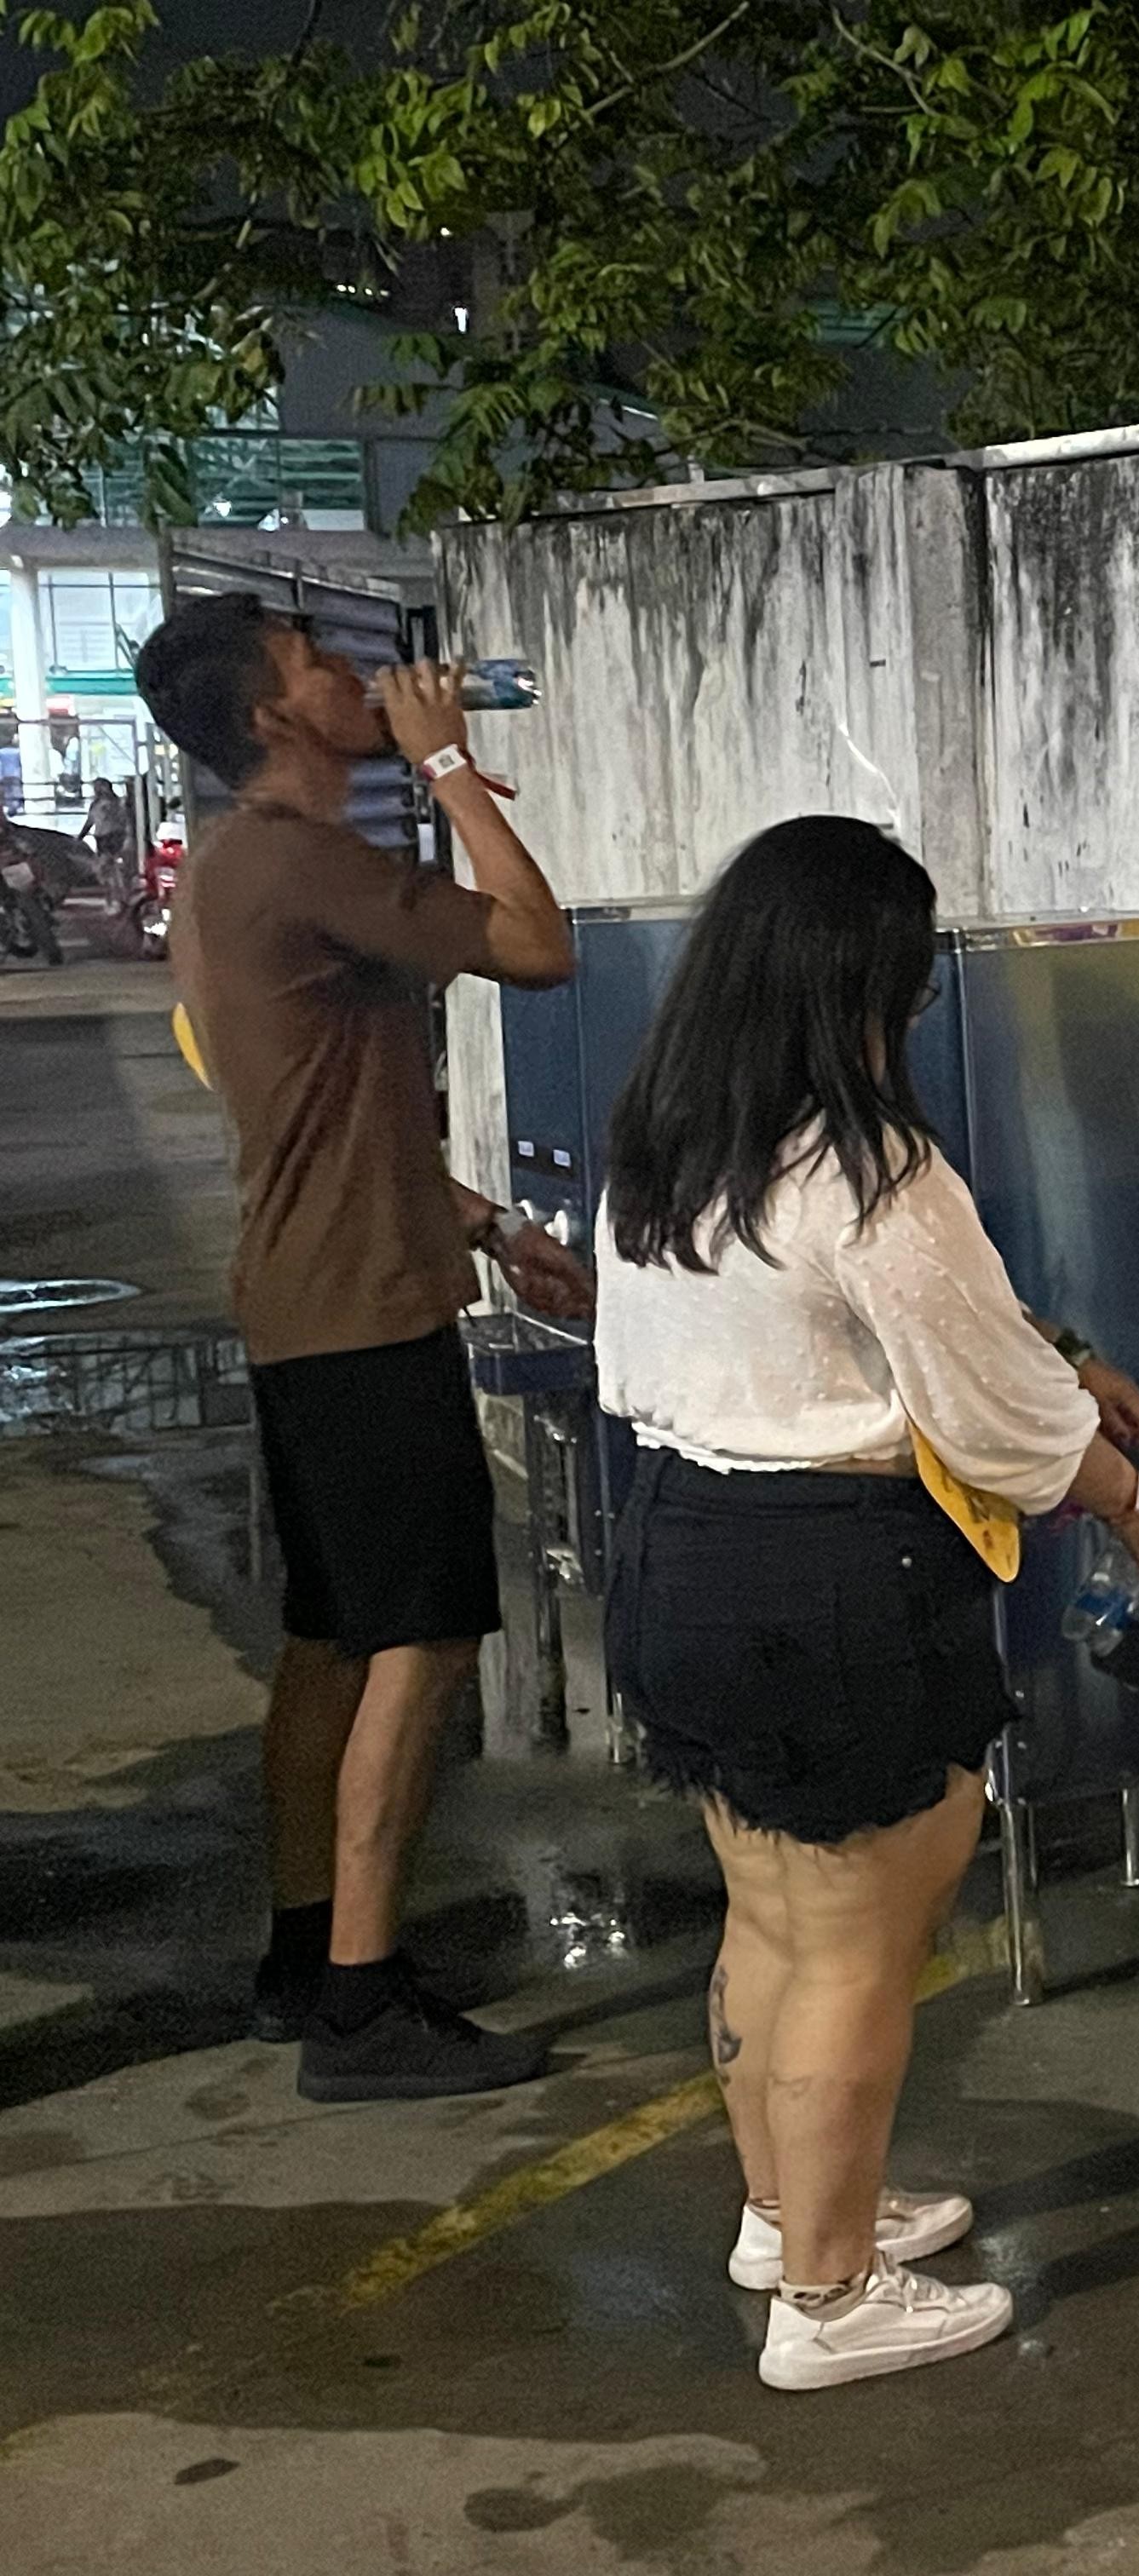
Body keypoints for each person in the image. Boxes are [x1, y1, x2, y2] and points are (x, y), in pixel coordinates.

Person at [592, 816, 1139, 2393]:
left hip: (677, 1546)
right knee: (861, 1939)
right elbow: (985, 1416)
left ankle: (789, 2221)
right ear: (866, 984)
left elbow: (883, 1335)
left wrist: (1050, 1354)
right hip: (831, 1579)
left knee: (774, 1912)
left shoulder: (669, 1140)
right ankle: (834, 2306)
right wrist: (1127, 1496)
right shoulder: (875, 1171)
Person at [137, 596, 597, 2102]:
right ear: (274, 718)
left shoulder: (238, 871)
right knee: (422, 1638)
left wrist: (472, 1218)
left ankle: (304, 1952)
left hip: (312, 1296)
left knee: (336, 1640)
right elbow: (539, 945)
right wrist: (452, 764)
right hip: (362, 1319)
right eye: (317, 664)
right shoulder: (305, 856)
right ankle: (360, 2001)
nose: (355, 674)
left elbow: (324, 1104)